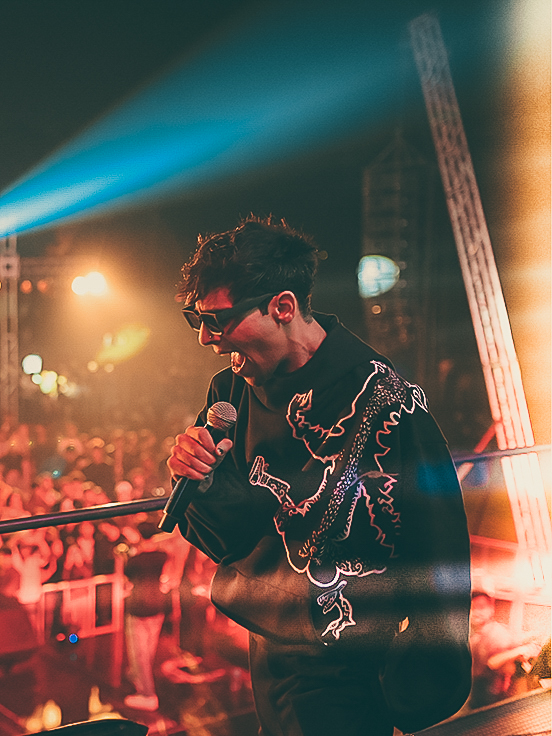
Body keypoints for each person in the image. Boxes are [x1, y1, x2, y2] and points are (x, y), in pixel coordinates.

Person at [167, 215, 472, 736]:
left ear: (283, 307)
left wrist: (416, 682)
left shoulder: (386, 399)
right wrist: (200, 476)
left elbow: (439, 543)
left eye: (218, 319)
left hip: (352, 663)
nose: (205, 337)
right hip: (267, 648)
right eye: (196, 318)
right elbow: (229, 537)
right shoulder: (229, 392)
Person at [123, 521, 170, 712]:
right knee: (149, 649)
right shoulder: (162, 556)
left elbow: (127, 576)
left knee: (139, 652)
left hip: (139, 607)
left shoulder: (135, 560)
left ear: (140, 536)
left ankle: (147, 694)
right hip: (158, 605)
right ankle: (138, 676)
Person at [468, 591, 542, 708]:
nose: (476, 612)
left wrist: (521, 650)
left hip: (495, 700)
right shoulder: (475, 637)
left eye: (481, 607)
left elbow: (493, 662)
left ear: (491, 609)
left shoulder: (497, 633)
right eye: (472, 608)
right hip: (479, 696)